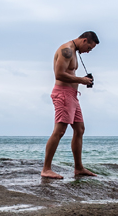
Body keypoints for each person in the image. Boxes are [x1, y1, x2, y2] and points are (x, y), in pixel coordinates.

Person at [41, 31, 99, 179]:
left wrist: (81, 80)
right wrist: (82, 80)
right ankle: (46, 169)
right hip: (63, 95)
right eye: (89, 48)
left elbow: (70, 73)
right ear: (84, 40)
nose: (88, 51)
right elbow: (59, 74)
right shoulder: (66, 50)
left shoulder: (74, 52)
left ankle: (78, 168)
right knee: (59, 131)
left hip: (73, 96)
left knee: (80, 129)